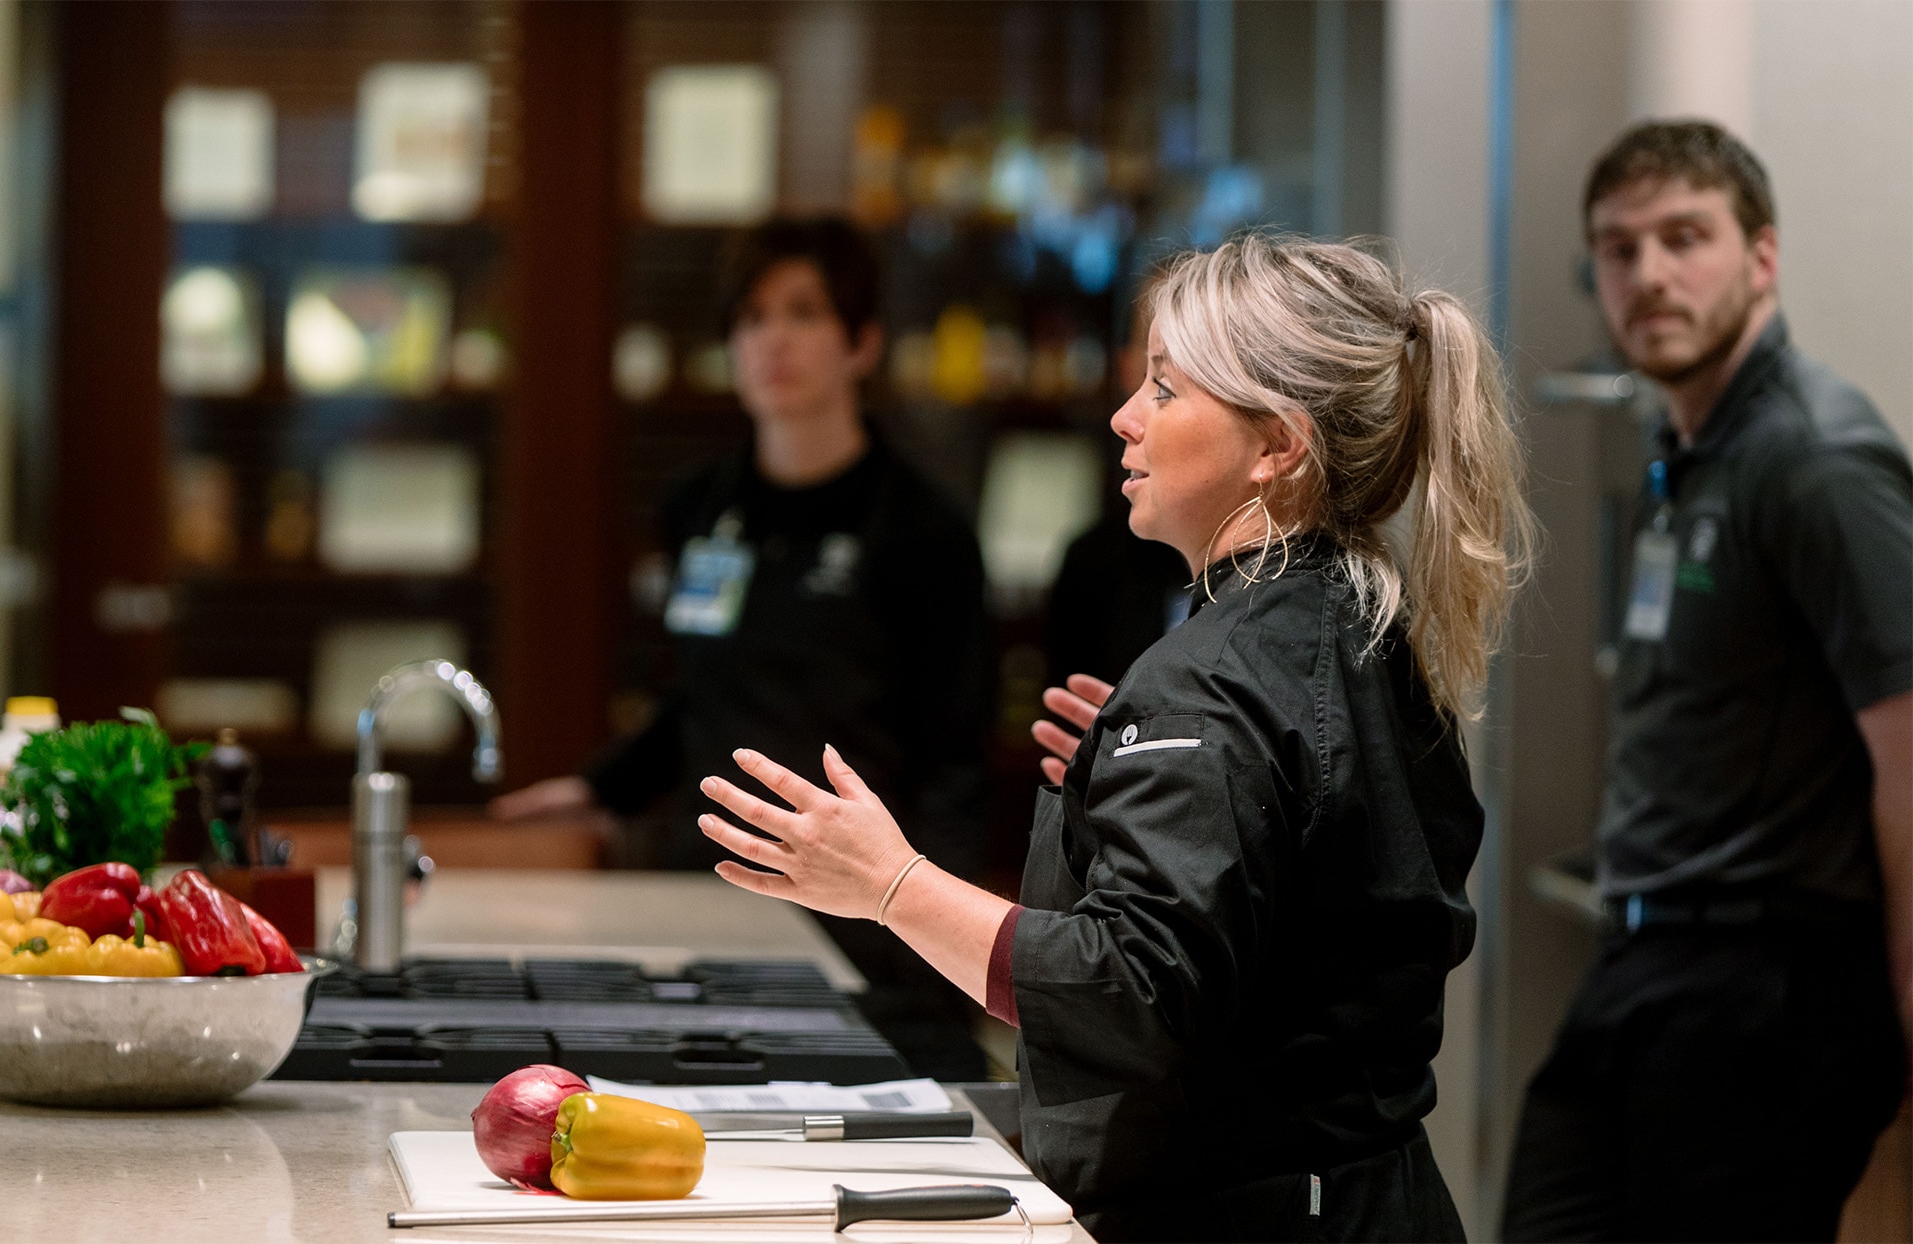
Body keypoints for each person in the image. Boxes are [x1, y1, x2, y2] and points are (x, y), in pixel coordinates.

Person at [693, 232, 1531, 1240]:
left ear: (1277, 445)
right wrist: (1168, 774)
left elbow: (1126, 993)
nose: (1125, 418)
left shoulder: (1213, 682)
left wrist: (888, 883)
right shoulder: (1370, 626)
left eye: (1168, 391)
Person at [1501, 122, 1913, 1242]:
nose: (1649, 275)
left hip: (1763, 993)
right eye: (1619, 250)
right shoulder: (1690, 451)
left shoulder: (1815, 456)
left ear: (1763, 256)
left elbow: (1911, 755)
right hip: (1647, 964)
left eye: (1686, 238)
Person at [491, 216, 994, 1077]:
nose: (773, 340)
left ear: (862, 343)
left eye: (803, 313)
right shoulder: (700, 507)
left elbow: (953, 760)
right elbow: (701, 690)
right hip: (710, 903)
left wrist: (919, 934)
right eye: (752, 318)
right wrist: (598, 786)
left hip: (863, 926)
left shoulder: (922, 529)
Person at [1044, 265, 1194, 695]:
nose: (1122, 420)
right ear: (1126, 366)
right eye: (1153, 375)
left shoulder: (1292, 593)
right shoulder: (1091, 566)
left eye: (1166, 385)